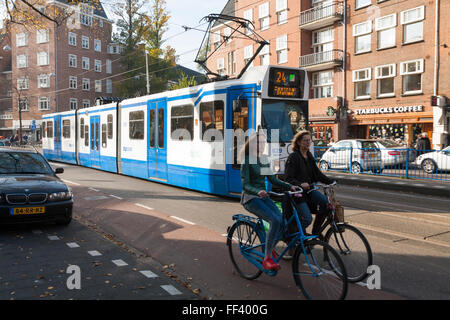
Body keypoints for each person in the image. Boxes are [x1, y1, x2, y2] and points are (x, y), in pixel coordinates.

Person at [240, 132, 300, 271]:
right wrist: (257, 191)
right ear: (252, 144)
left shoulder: (264, 159)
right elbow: (245, 185)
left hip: (263, 197)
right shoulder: (247, 161)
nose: (261, 145)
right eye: (258, 143)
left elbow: (273, 179)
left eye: (263, 143)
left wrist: (290, 186)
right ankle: (267, 257)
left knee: (282, 221)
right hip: (250, 198)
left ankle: (270, 247)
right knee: (274, 220)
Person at [284, 130, 336, 236]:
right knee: (307, 219)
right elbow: (288, 178)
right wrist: (300, 184)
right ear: (298, 142)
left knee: (326, 205)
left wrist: (331, 181)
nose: (308, 143)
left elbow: (317, 174)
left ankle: (316, 230)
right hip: (297, 193)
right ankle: (291, 234)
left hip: (309, 190)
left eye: (309, 141)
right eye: (305, 141)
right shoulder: (294, 157)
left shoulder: (309, 155)